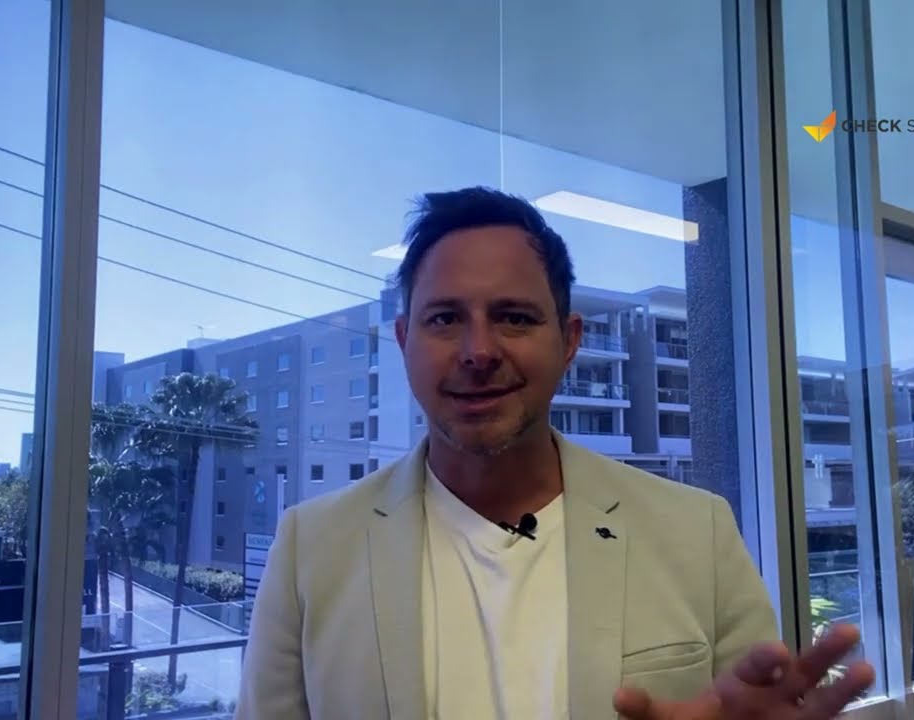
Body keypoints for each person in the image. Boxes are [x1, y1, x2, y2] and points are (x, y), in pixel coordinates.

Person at [235, 187, 874, 719]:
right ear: (403, 340)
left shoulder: (695, 532)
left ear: (569, 341)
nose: (478, 352)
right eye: (444, 319)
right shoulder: (311, 550)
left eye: (514, 317)